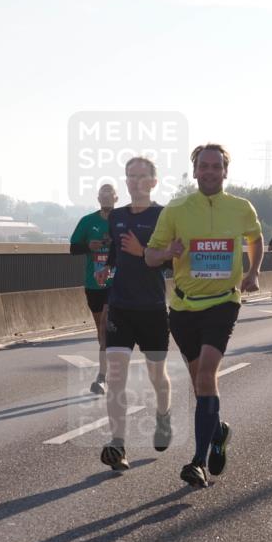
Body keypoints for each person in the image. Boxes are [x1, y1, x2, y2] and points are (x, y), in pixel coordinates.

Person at [145, 143, 263, 488]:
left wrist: (253, 272)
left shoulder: (241, 208)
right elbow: (150, 257)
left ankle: (197, 461)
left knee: (208, 374)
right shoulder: (177, 210)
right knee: (200, 385)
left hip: (224, 302)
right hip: (183, 308)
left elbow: (256, 239)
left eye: (216, 166)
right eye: (204, 166)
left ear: (225, 172)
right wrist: (169, 251)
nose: (210, 172)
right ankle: (219, 430)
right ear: (194, 171)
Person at [94, 158, 173, 471]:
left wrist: (145, 253)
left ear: (154, 182)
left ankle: (163, 417)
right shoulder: (117, 216)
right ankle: (118, 443)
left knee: (157, 375)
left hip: (152, 309)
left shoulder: (163, 216)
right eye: (130, 176)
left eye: (142, 176)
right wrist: (107, 269)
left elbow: (171, 260)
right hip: (121, 307)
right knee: (115, 377)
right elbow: (115, 252)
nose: (135, 181)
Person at [70, 183, 117, 394]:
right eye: (103, 195)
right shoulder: (88, 221)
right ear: (98, 199)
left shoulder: (122, 220)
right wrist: (89, 246)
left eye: (110, 195)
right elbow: (73, 248)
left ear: (116, 198)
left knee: (106, 324)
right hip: (94, 283)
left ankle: (102, 377)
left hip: (117, 283)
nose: (106, 198)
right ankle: (107, 364)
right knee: (100, 329)